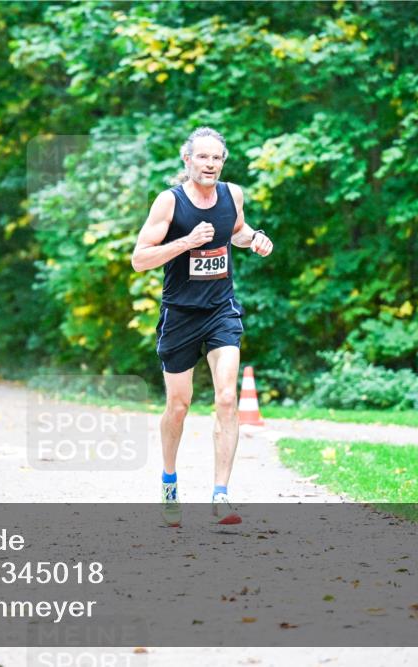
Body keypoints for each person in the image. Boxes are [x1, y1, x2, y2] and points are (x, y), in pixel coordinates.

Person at [130, 127, 274, 526]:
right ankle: (170, 482)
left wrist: (256, 239)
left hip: (220, 309)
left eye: (217, 158)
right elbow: (140, 259)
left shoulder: (233, 195)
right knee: (178, 406)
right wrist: (186, 241)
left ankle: (221, 495)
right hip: (180, 314)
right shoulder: (169, 202)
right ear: (187, 161)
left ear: (223, 161)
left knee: (227, 398)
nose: (210, 164)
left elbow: (238, 232)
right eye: (203, 157)